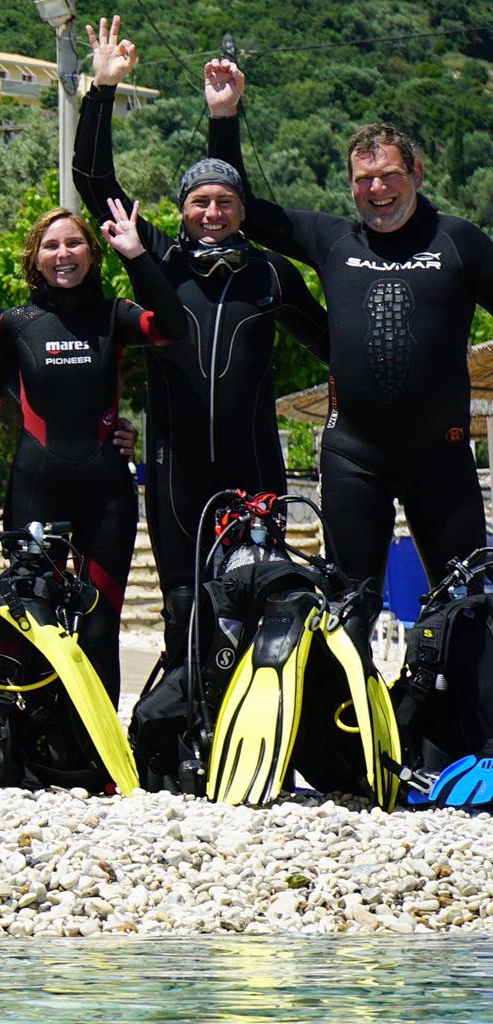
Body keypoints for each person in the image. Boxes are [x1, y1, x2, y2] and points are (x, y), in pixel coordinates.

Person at [74, 17, 330, 662]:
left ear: (243, 210)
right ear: (182, 209)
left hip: (254, 470)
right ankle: (187, 742)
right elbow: (94, 184)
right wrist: (100, 91)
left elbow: (334, 344)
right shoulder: (159, 260)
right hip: (174, 472)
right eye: (198, 203)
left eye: (224, 201)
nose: (211, 213)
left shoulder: (272, 273)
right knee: (185, 605)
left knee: (260, 601)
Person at [205, 58, 493, 610]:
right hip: (353, 457)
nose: (378, 188)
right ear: (351, 184)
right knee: (346, 607)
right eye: (365, 179)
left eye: (390, 175)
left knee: (465, 608)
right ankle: (348, 697)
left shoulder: (460, 242)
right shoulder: (333, 240)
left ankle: (452, 698)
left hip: (443, 455)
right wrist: (225, 114)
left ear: (418, 173)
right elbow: (246, 209)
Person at [0, 198, 179, 699]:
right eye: (50, 246)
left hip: (106, 493)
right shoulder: (14, 324)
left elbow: (173, 327)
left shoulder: (115, 316)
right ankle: (33, 751)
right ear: (35, 258)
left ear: (93, 253)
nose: (63, 253)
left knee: (100, 627)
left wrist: (138, 256)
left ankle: (98, 762)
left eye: (74, 242)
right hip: (37, 488)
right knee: (33, 620)